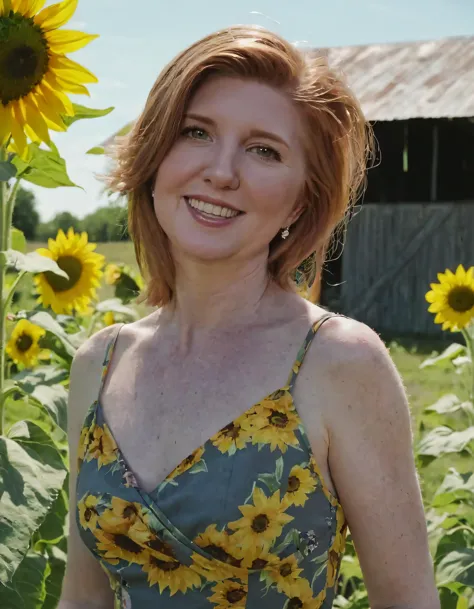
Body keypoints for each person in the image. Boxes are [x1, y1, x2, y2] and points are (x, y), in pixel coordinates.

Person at [58, 25, 439, 609]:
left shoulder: (338, 362)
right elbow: (82, 598)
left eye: (264, 150)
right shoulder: (99, 363)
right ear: (155, 157)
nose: (221, 171)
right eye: (195, 133)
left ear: (300, 200)